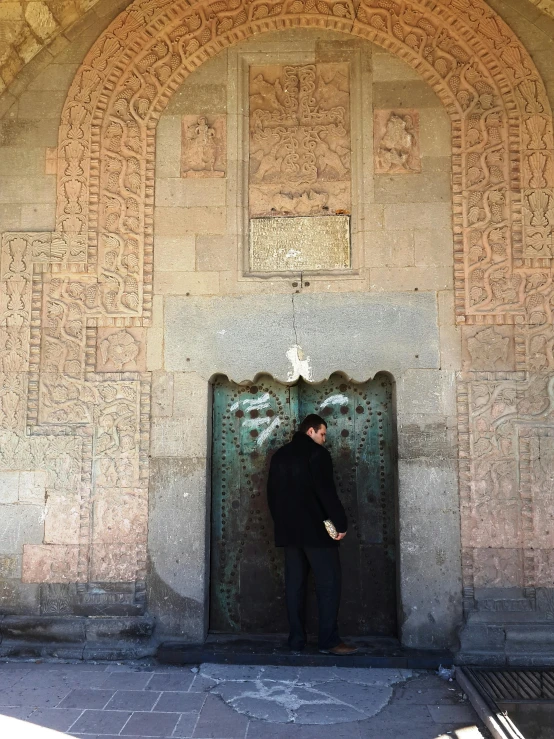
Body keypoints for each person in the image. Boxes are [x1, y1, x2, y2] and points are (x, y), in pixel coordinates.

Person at [267, 413, 358, 656]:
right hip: (318, 533)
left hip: (290, 533)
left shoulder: (280, 456)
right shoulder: (318, 455)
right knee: (329, 583)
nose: (324, 439)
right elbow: (327, 493)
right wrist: (340, 524)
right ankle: (328, 640)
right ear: (311, 431)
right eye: (323, 434)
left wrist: (282, 524)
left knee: (295, 585)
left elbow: (272, 496)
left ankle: (296, 640)